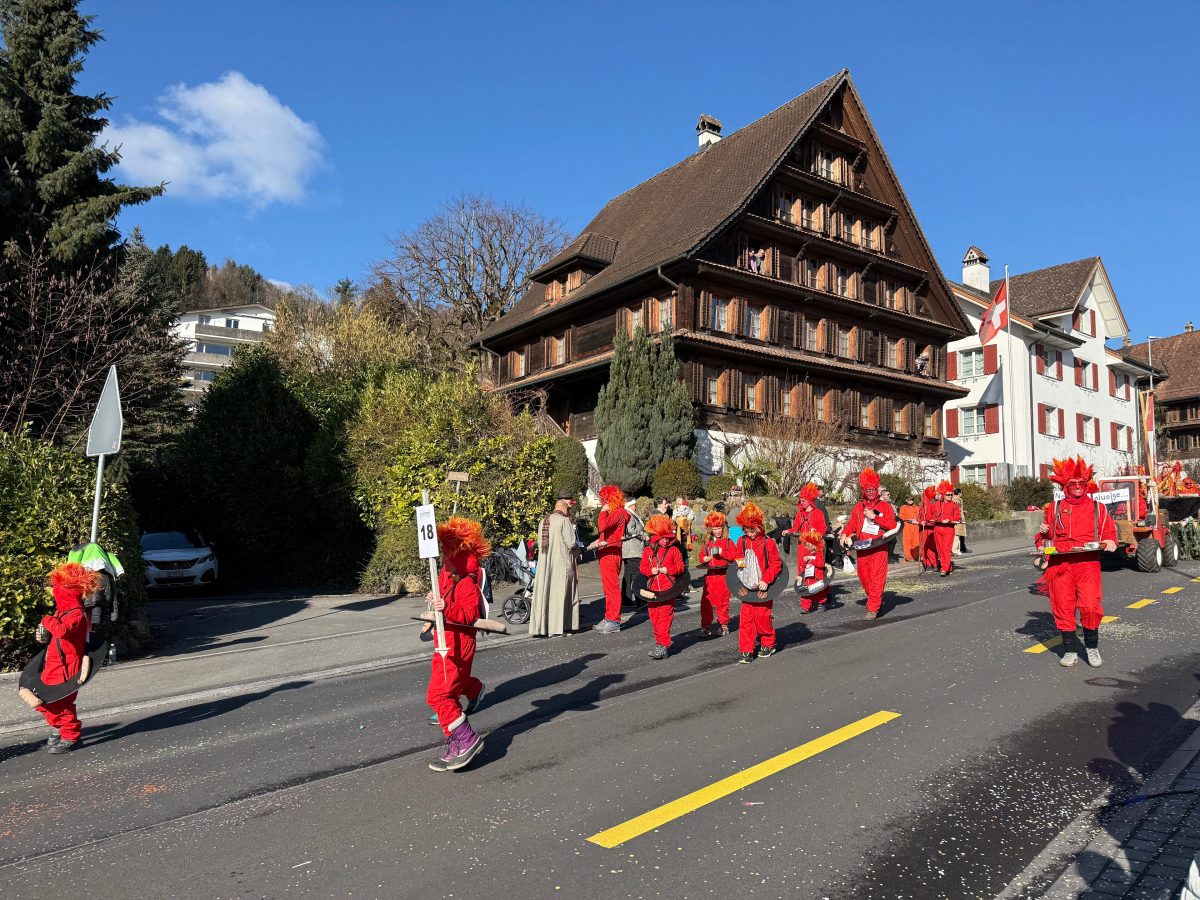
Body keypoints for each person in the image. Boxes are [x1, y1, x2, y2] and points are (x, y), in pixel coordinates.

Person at [1037, 456, 1118, 667]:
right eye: (1072, 483)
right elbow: (1046, 537)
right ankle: (1070, 651)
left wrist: (1110, 541)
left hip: (1087, 563)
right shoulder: (1054, 507)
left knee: (1090, 606)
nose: (1078, 486)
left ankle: (1092, 648)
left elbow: (1109, 532)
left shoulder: (1098, 508)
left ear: (1086, 484)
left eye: (1081, 482)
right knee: (1063, 606)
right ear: (1065, 486)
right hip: (1060, 564)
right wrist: (1044, 534)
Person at [426, 518, 490, 772]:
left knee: (440, 696)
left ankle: (467, 739)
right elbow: (445, 599)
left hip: (457, 646)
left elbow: (468, 615)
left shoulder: (466, 585)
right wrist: (436, 600)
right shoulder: (451, 580)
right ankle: (456, 743)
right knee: (442, 695)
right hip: (445, 643)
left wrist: (446, 607)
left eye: (448, 557)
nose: (444, 560)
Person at [31, 562, 98, 754]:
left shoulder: (76, 613)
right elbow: (55, 634)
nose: (55, 593)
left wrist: (47, 620)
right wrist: (43, 635)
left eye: (58, 590)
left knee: (63, 703)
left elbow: (62, 630)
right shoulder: (61, 612)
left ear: (67, 592)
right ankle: (58, 726)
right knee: (41, 700)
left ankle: (70, 737)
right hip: (53, 663)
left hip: (68, 666)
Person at [840, 468, 897, 620]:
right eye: (868, 490)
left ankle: (873, 608)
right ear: (864, 491)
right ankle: (876, 598)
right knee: (864, 576)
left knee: (877, 577)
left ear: (877, 491)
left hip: (879, 546)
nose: (871, 492)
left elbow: (892, 525)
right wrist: (845, 534)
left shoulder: (885, 506)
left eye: (873, 489)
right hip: (862, 546)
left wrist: (875, 517)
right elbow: (852, 523)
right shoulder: (859, 507)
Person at [733, 502, 782, 662]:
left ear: (759, 527)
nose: (749, 533)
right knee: (746, 620)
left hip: (764, 587)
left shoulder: (768, 543)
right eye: (746, 530)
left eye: (752, 530)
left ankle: (768, 643)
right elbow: (738, 558)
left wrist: (766, 580)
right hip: (747, 586)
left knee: (762, 618)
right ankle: (746, 649)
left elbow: (776, 564)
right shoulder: (741, 541)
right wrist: (742, 570)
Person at [528, 491, 581, 637]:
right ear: (563, 508)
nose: (568, 511)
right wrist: (579, 551)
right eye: (568, 509)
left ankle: (542, 628)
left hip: (545, 565)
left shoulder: (543, 521)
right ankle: (558, 629)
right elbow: (571, 543)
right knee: (559, 595)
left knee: (546, 594)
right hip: (561, 563)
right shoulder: (564, 521)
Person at [640, 514, 686, 659]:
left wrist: (669, 569)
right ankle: (660, 644)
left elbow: (681, 567)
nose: (666, 540)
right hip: (653, 589)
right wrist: (650, 571)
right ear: (656, 537)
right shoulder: (648, 551)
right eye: (663, 538)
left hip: (669, 590)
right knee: (654, 617)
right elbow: (642, 568)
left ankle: (662, 645)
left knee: (665, 618)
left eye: (668, 538)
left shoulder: (674, 550)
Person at [593, 485, 630, 634]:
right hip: (608, 551)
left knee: (612, 588)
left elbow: (602, 526)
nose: (601, 501)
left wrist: (603, 511)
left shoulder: (618, 512)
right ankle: (609, 617)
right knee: (608, 588)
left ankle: (613, 620)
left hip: (611, 552)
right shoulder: (617, 512)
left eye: (603, 499)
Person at [698, 511, 736, 638]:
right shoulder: (707, 542)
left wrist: (722, 552)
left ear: (723, 528)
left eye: (719, 528)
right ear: (710, 530)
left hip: (723, 576)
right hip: (710, 576)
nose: (718, 531)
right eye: (715, 529)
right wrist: (704, 559)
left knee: (722, 602)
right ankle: (705, 626)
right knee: (706, 602)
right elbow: (701, 556)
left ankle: (723, 626)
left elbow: (734, 556)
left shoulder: (728, 542)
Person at [620, 498, 647, 608]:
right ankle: (640, 601)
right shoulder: (630, 515)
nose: (636, 507)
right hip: (633, 549)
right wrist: (643, 535)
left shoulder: (628, 514)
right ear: (630, 506)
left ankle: (626, 600)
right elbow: (631, 530)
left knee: (628, 575)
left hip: (629, 550)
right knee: (637, 575)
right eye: (634, 505)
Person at [932, 480, 961, 577]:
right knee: (940, 549)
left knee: (946, 549)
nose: (950, 496)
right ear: (943, 495)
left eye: (951, 494)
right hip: (937, 528)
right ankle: (948, 567)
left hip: (948, 529)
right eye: (948, 495)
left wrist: (949, 520)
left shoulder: (954, 505)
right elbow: (932, 515)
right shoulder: (937, 504)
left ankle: (944, 568)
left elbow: (957, 517)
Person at [797, 528, 828, 613]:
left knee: (820, 592)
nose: (807, 547)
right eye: (806, 545)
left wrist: (811, 560)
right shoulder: (805, 552)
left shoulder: (819, 552)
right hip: (808, 577)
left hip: (817, 577)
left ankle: (821, 604)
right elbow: (802, 564)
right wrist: (804, 561)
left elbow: (821, 564)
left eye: (808, 545)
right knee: (806, 593)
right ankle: (805, 607)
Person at [917, 486, 938, 573]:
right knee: (923, 548)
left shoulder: (933, 505)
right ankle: (928, 564)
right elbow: (918, 518)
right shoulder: (922, 506)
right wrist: (920, 522)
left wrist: (927, 522)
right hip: (922, 530)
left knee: (930, 547)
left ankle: (934, 564)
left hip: (930, 529)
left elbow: (935, 519)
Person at [898, 494, 922, 563]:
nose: (910, 501)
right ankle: (908, 556)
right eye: (909, 499)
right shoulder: (903, 507)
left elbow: (920, 517)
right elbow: (901, 517)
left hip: (915, 526)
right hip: (907, 526)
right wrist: (909, 520)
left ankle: (915, 556)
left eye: (912, 499)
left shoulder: (917, 508)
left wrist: (917, 521)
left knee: (916, 541)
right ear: (906, 500)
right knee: (907, 541)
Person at [953, 487, 969, 554]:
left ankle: (961, 548)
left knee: (957, 534)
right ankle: (957, 549)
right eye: (961, 493)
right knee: (958, 534)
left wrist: (963, 511)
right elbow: (958, 509)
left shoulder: (952, 499)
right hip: (959, 519)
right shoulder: (958, 500)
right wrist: (961, 516)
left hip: (955, 518)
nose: (962, 494)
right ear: (959, 493)